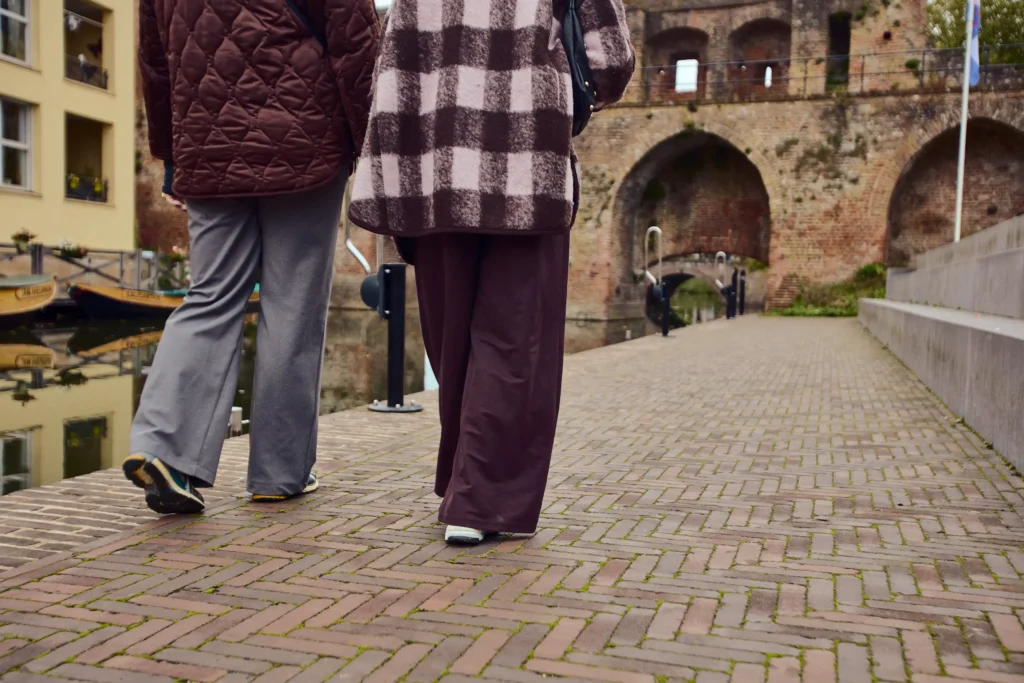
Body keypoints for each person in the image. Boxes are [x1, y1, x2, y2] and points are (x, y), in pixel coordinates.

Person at [348, 0, 634, 544]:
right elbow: (610, 57)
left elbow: (388, 46)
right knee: (515, 334)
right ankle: (481, 499)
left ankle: (465, 481)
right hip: (525, 153)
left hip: (429, 159)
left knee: (449, 332)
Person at [124, 0, 380, 514]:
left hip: (206, 143)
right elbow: (355, 43)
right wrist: (368, 142)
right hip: (304, 138)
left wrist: (172, 157)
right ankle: (278, 474)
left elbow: (155, 62)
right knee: (292, 305)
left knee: (210, 295)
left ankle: (165, 449)